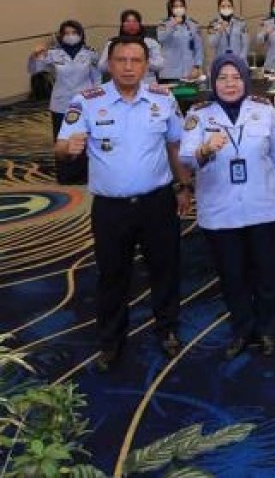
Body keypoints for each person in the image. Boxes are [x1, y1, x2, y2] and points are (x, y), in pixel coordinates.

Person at [55, 36, 193, 371]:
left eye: (136, 60)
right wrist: (68, 148)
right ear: (109, 64)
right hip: (110, 208)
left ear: (146, 65)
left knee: (165, 268)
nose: (129, 67)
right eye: (121, 60)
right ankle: (111, 341)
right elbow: (60, 147)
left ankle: (167, 330)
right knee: (112, 274)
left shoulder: (163, 98)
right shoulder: (86, 101)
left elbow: (175, 146)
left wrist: (185, 186)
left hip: (157, 202)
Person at [180, 54, 275, 359]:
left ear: (245, 80)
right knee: (232, 275)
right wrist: (205, 149)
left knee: (266, 273)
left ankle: (265, 329)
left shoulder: (263, 111)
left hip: (263, 206)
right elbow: (186, 158)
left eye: (236, 77)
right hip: (221, 211)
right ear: (213, 81)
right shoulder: (198, 114)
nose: (229, 84)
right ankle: (242, 329)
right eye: (222, 78)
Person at [28, 20, 101, 184]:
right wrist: (34, 55)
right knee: (63, 139)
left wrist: (97, 99)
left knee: (84, 138)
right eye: (66, 33)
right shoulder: (54, 53)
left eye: (74, 32)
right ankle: (66, 175)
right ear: (61, 36)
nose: (70, 36)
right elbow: (35, 69)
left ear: (81, 34)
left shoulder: (90, 53)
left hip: (85, 102)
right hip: (61, 103)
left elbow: (96, 77)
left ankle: (85, 174)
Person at [99, 10, 164, 80]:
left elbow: (159, 65)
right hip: (120, 82)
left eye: (135, 21)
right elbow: (101, 67)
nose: (131, 24)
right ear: (122, 25)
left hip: (146, 83)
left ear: (140, 24)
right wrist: (118, 62)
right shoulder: (113, 43)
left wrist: (140, 60)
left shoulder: (151, 42)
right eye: (127, 21)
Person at [155, 0, 204, 82]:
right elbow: (161, 38)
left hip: (189, 72)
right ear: (170, 8)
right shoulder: (164, 23)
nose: (179, 8)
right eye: (176, 6)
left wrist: (197, 66)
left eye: (181, 6)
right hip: (169, 73)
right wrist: (173, 23)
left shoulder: (193, 24)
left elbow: (198, 48)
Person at [207, 0, 249, 65]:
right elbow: (212, 44)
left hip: (239, 61)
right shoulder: (213, 24)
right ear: (218, 9)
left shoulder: (241, 22)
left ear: (233, 8)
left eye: (229, 6)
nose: (226, 8)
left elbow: (245, 44)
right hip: (221, 62)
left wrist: (241, 60)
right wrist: (219, 31)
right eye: (223, 6)